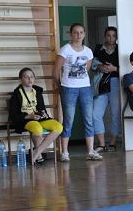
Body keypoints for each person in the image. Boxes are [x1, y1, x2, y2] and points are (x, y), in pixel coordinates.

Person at [54, 23, 103, 162]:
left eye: (81, 32)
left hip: (85, 88)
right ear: (71, 34)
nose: (78, 35)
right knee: (68, 120)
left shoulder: (88, 51)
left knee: (89, 119)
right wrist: (61, 88)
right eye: (75, 32)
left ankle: (91, 151)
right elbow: (56, 72)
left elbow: (86, 70)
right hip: (68, 88)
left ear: (84, 34)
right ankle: (65, 152)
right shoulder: (65, 49)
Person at [9, 67, 63, 164]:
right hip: (25, 120)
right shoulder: (16, 94)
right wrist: (29, 116)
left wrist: (43, 113)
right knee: (37, 128)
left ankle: (37, 152)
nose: (30, 79)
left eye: (32, 77)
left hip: (39, 119)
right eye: (26, 77)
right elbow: (14, 116)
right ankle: (38, 155)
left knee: (58, 127)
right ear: (21, 79)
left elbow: (42, 109)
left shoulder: (37, 92)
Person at [92, 26, 121, 152]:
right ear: (105, 36)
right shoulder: (98, 48)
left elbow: (126, 67)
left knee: (115, 113)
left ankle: (113, 142)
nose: (111, 38)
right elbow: (92, 64)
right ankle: (102, 143)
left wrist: (114, 68)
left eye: (113, 35)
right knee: (95, 114)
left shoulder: (120, 48)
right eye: (108, 35)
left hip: (115, 82)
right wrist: (100, 67)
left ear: (116, 37)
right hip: (101, 83)